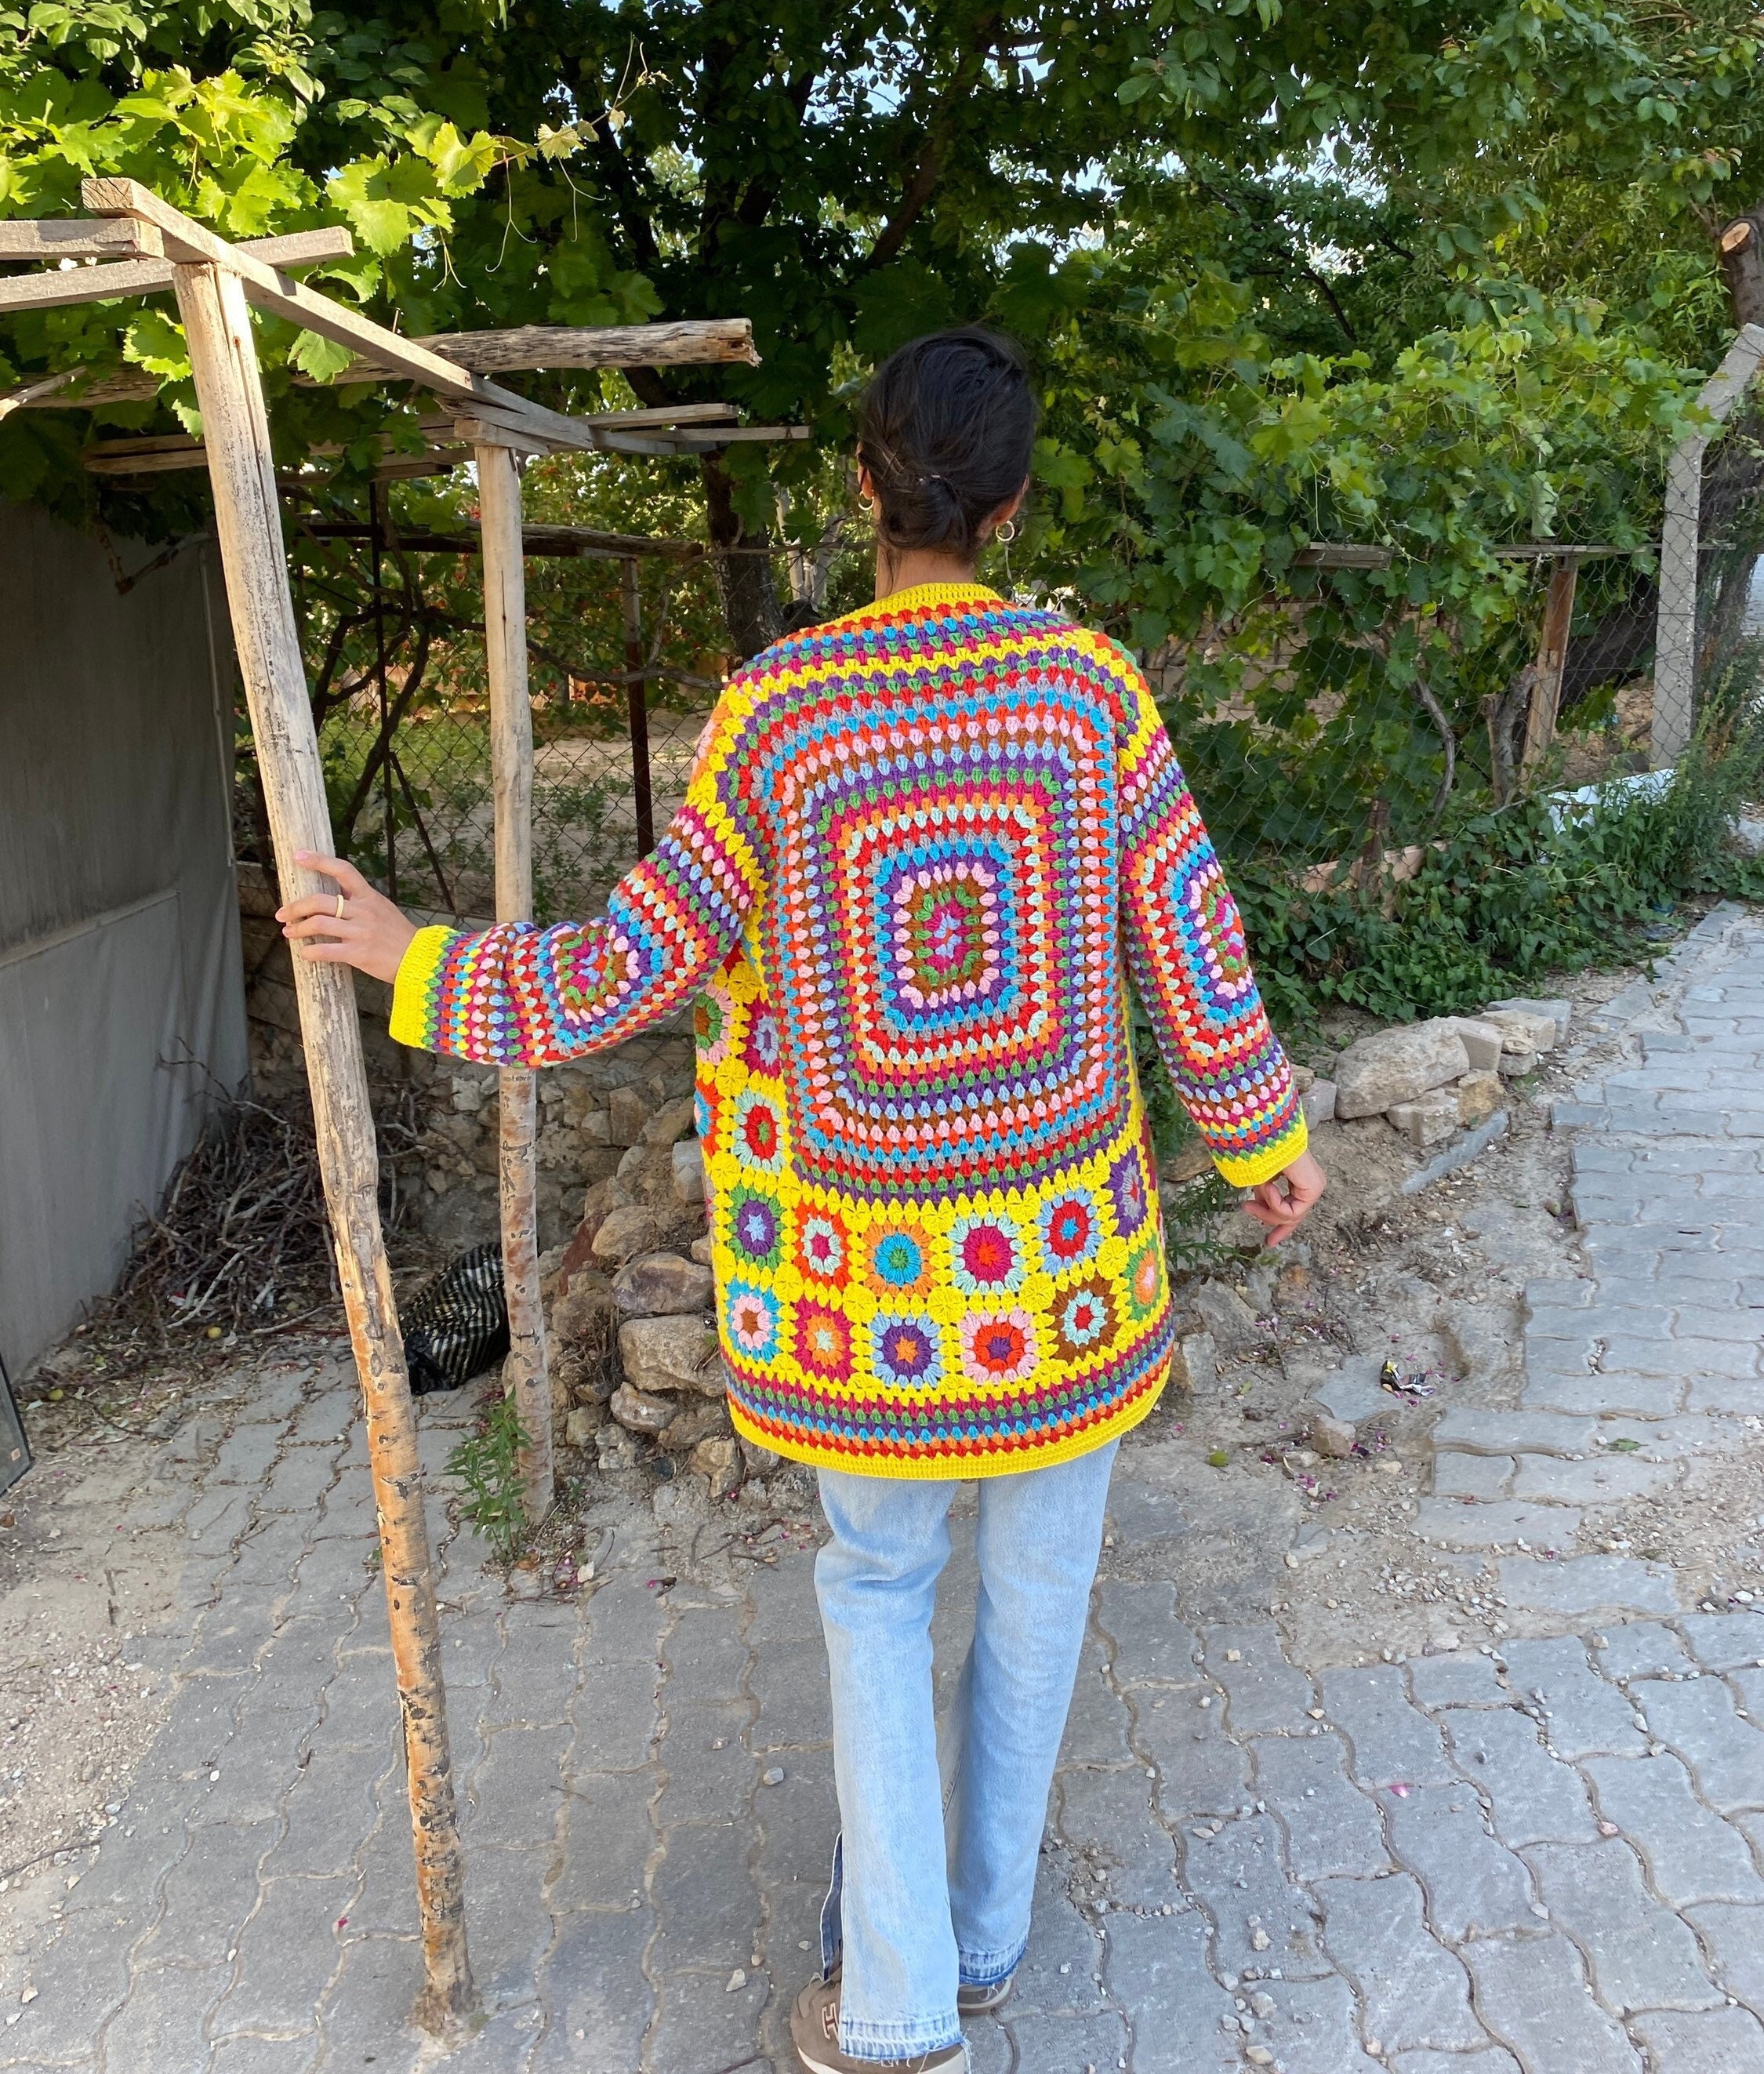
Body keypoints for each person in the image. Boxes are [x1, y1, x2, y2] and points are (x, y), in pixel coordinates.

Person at [281, 325, 1326, 2072]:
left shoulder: (782, 722)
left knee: (876, 1587)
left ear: (863, 485)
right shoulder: (1089, 695)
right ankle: (980, 1938)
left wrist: (414, 957)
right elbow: (1191, 936)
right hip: (1065, 1264)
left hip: (868, 1285)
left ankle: (901, 2002)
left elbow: (632, 966)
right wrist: (1263, 1139)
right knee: (1045, 1585)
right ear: (1008, 502)